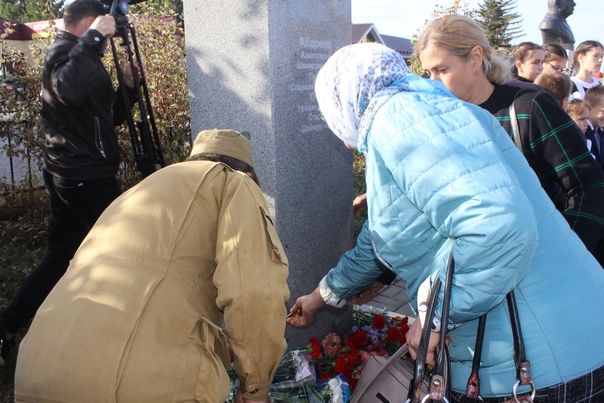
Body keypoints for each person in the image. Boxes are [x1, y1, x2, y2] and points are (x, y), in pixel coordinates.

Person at [288, 42, 604, 402]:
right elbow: (384, 236)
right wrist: (320, 297)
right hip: (573, 332)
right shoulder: (436, 110)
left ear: (344, 97)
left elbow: (498, 225)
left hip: (536, 355)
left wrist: (434, 315)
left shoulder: (398, 119)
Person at [14, 129, 290, 403]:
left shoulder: (138, 192)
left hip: (35, 371)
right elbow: (254, 294)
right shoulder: (233, 183)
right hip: (136, 385)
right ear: (249, 174)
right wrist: (256, 388)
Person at [0, 0, 139, 364]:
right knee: (120, 253)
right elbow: (66, 89)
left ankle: (8, 325)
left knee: (60, 257)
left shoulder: (83, 56)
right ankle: (112, 335)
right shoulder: (62, 53)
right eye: (103, 25)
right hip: (82, 178)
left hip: (80, 173)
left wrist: (130, 87)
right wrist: (94, 37)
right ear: (93, 22)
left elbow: (105, 120)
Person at [415, 15, 604, 255]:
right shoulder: (444, 117)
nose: (434, 82)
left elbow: (588, 186)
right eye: (428, 73)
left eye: (442, 70)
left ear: (475, 58)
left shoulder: (529, 107)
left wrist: (562, 253)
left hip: (544, 261)